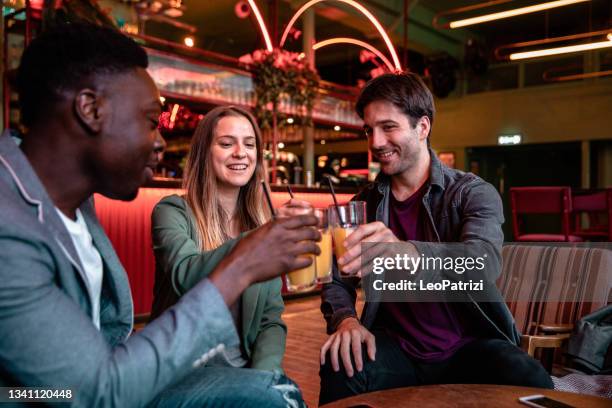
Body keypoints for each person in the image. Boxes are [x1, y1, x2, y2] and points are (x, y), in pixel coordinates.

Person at [0, 22, 320, 407]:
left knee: (276, 391)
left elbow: (269, 320)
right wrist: (243, 263)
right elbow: (88, 393)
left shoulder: (73, 204)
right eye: (151, 120)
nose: (160, 142)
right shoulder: (9, 225)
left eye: (250, 144)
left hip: (104, 380)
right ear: (90, 109)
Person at [318, 72, 553, 404]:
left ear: (423, 127)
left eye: (388, 127)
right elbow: (334, 274)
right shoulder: (365, 203)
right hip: (397, 347)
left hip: (469, 347)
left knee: (529, 378)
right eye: (369, 130)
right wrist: (345, 321)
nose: (375, 142)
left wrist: (408, 253)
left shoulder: (472, 193)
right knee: (340, 363)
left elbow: (481, 262)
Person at [151, 105, 310, 372]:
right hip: (180, 371)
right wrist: (261, 239)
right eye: (226, 143)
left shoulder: (259, 224)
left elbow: (270, 321)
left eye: (249, 144)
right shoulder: (172, 211)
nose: (240, 153)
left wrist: (266, 376)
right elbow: (185, 274)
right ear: (205, 152)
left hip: (241, 372)